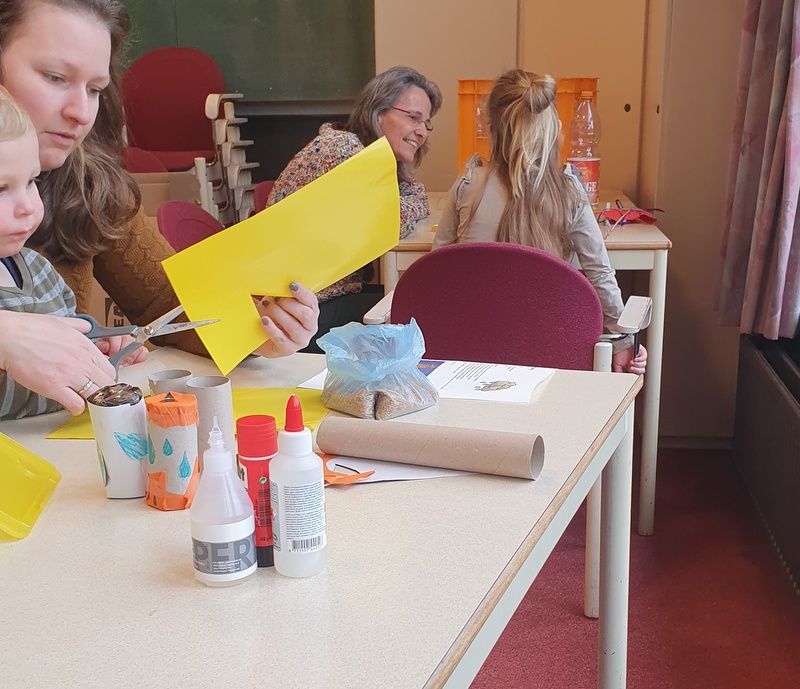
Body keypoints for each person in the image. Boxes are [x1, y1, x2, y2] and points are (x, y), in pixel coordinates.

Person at [0, 0, 319, 374]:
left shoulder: (92, 185)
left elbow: (167, 305)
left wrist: (258, 328)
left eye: (95, 89)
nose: (82, 113)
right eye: (55, 77)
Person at [433, 69, 647, 374]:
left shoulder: (468, 185)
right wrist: (623, 343)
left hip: (469, 360)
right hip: (551, 363)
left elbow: (437, 269)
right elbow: (600, 275)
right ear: (555, 128)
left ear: (491, 129)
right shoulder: (569, 193)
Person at [268, 65, 442, 352]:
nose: (422, 131)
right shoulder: (343, 149)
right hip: (295, 313)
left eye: (426, 123)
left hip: (312, 298)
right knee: (420, 313)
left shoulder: (363, 153)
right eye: (413, 117)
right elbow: (391, 222)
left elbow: (404, 200)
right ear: (378, 111)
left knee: (411, 304)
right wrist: (410, 194)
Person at [0, 85, 147, 419]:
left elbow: (65, 340)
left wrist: (95, 347)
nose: (28, 207)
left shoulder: (39, 270)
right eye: (1, 188)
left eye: (32, 181)